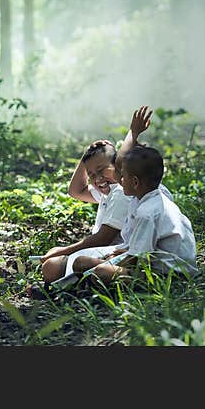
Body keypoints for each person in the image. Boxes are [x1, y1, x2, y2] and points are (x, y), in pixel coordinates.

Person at [37, 107, 153, 286]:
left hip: (115, 250)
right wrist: (86, 158)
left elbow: (103, 238)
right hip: (111, 251)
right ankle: (75, 283)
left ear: (119, 167)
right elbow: (75, 191)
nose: (97, 179)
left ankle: (74, 285)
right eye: (92, 174)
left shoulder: (122, 192)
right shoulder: (107, 192)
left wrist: (63, 251)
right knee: (54, 259)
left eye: (101, 170)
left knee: (52, 266)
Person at [72, 144, 198, 284]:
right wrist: (123, 252)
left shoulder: (147, 212)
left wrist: (110, 261)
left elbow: (138, 259)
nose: (120, 181)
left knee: (101, 272)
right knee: (82, 263)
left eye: (123, 176)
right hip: (153, 264)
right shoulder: (146, 200)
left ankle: (96, 290)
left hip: (170, 276)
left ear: (135, 182)